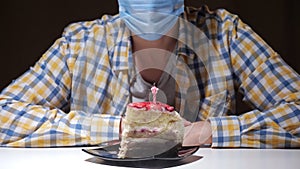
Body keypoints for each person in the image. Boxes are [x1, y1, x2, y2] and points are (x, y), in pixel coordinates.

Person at [0, 0, 299, 148]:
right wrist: (119, 129)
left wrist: (204, 131)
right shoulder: (80, 44)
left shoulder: (226, 35)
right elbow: (5, 114)